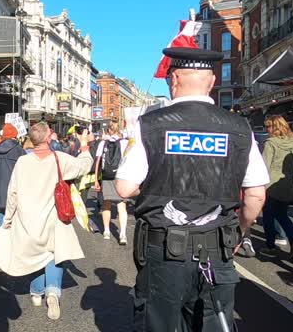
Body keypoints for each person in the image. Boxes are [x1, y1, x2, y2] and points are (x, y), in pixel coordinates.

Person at [114, 47, 269, 332]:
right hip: (216, 250)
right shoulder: (239, 127)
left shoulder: (149, 125)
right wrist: (240, 233)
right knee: (213, 324)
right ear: (211, 82)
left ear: (173, 80)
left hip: (163, 253)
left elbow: (124, 188)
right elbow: (256, 193)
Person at [0, 122, 92, 320]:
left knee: (36, 257)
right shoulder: (59, 159)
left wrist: (8, 219)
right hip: (53, 218)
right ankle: (53, 292)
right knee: (54, 254)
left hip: (28, 220)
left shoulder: (22, 162)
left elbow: (13, 193)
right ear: (48, 138)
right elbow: (83, 166)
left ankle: (37, 293)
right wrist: (85, 146)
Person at [260, 115, 293, 259]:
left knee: (268, 215)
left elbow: (264, 166)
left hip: (271, 185)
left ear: (275, 127)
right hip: (287, 185)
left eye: (268, 126)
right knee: (282, 215)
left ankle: (270, 246)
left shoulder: (270, 143)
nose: (267, 129)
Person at [94, 123, 129, 245]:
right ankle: (123, 233)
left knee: (106, 204)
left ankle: (107, 231)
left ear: (108, 130)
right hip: (121, 177)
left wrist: (96, 179)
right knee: (121, 205)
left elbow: (98, 161)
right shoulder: (125, 143)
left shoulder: (103, 143)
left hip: (107, 176)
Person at [0, 123, 25, 227]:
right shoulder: (19, 151)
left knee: (1, 224)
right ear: (15, 136)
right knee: (15, 226)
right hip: (16, 194)